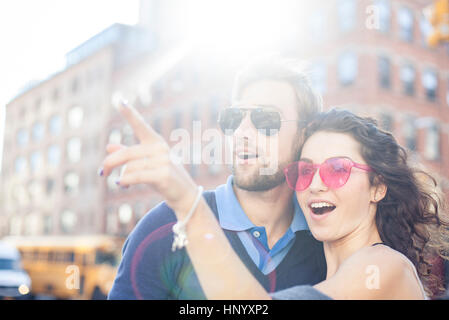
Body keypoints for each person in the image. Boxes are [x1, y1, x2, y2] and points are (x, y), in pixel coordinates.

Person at [104, 104, 449, 299]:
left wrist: (188, 203)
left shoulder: (383, 266)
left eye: (337, 170)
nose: (314, 184)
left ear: (378, 187)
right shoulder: (324, 275)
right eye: (304, 171)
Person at [106, 56, 326, 299]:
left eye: (265, 119)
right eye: (234, 119)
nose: (242, 132)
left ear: (305, 133)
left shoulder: (325, 239)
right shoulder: (165, 227)